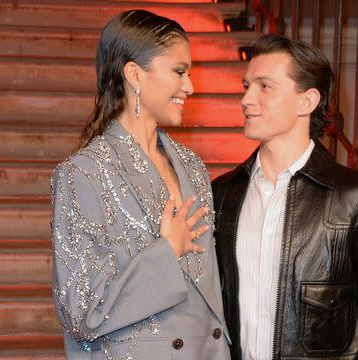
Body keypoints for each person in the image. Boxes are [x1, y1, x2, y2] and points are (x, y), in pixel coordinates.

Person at [212, 34, 358, 360]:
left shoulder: (356, 197)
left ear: (307, 101)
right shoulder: (222, 193)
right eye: (246, 86)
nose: (246, 99)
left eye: (264, 86)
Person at [51, 10, 231, 360]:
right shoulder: (83, 173)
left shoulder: (192, 166)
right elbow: (80, 310)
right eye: (179, 71)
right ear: (134, 75)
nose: (190, 86)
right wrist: (165, 252)